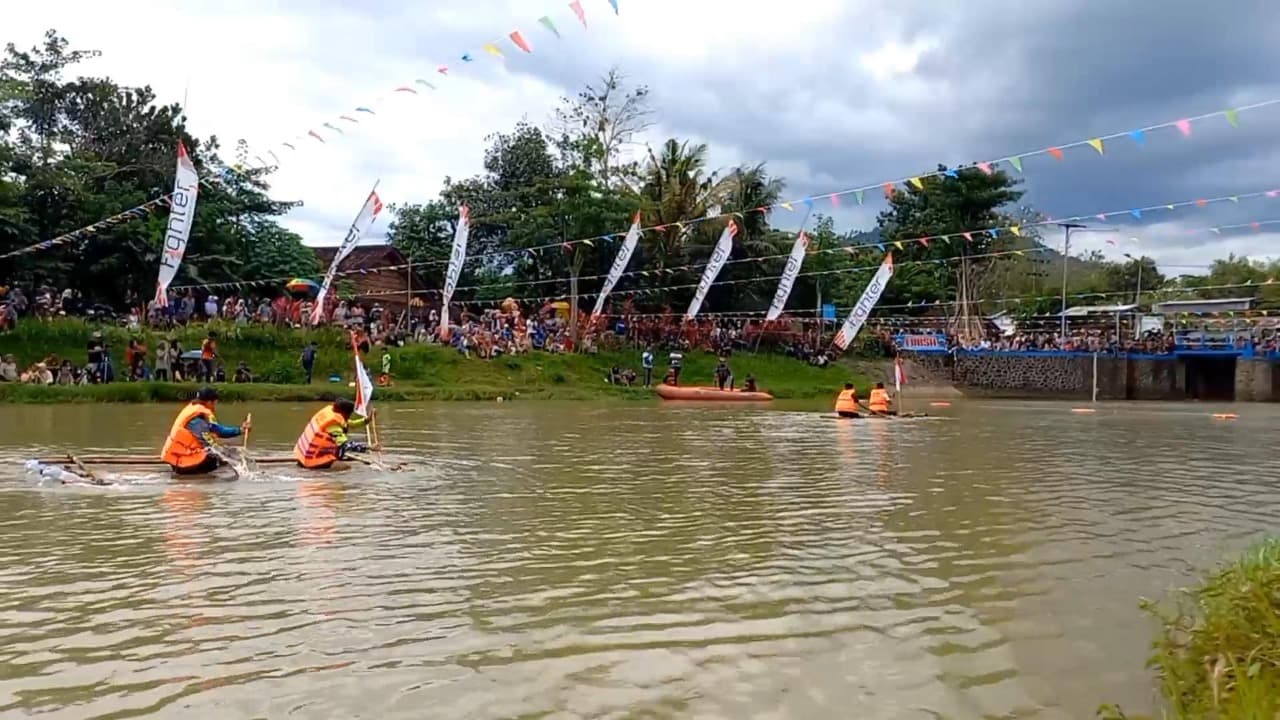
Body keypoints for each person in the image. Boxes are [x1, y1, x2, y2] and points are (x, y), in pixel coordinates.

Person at [160, 387, 250, 475]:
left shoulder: (196, 411)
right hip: (183, 463)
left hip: (181, 458)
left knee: (225, 453)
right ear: (209, 402)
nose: (214, 406)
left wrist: (240, 430)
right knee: (217, 457)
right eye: (214, 403)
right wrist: (227, 454)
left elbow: (218, 430)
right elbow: (208, 442)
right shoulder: (197, 419)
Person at [294, 399, 374, 469]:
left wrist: (367, 420)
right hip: (312, 459)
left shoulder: (329, 414)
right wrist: (369, 448)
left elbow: (350, 424)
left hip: (302, 455)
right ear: (346, 413)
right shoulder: (333, 426)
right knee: (345, 467)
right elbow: (345, 445)